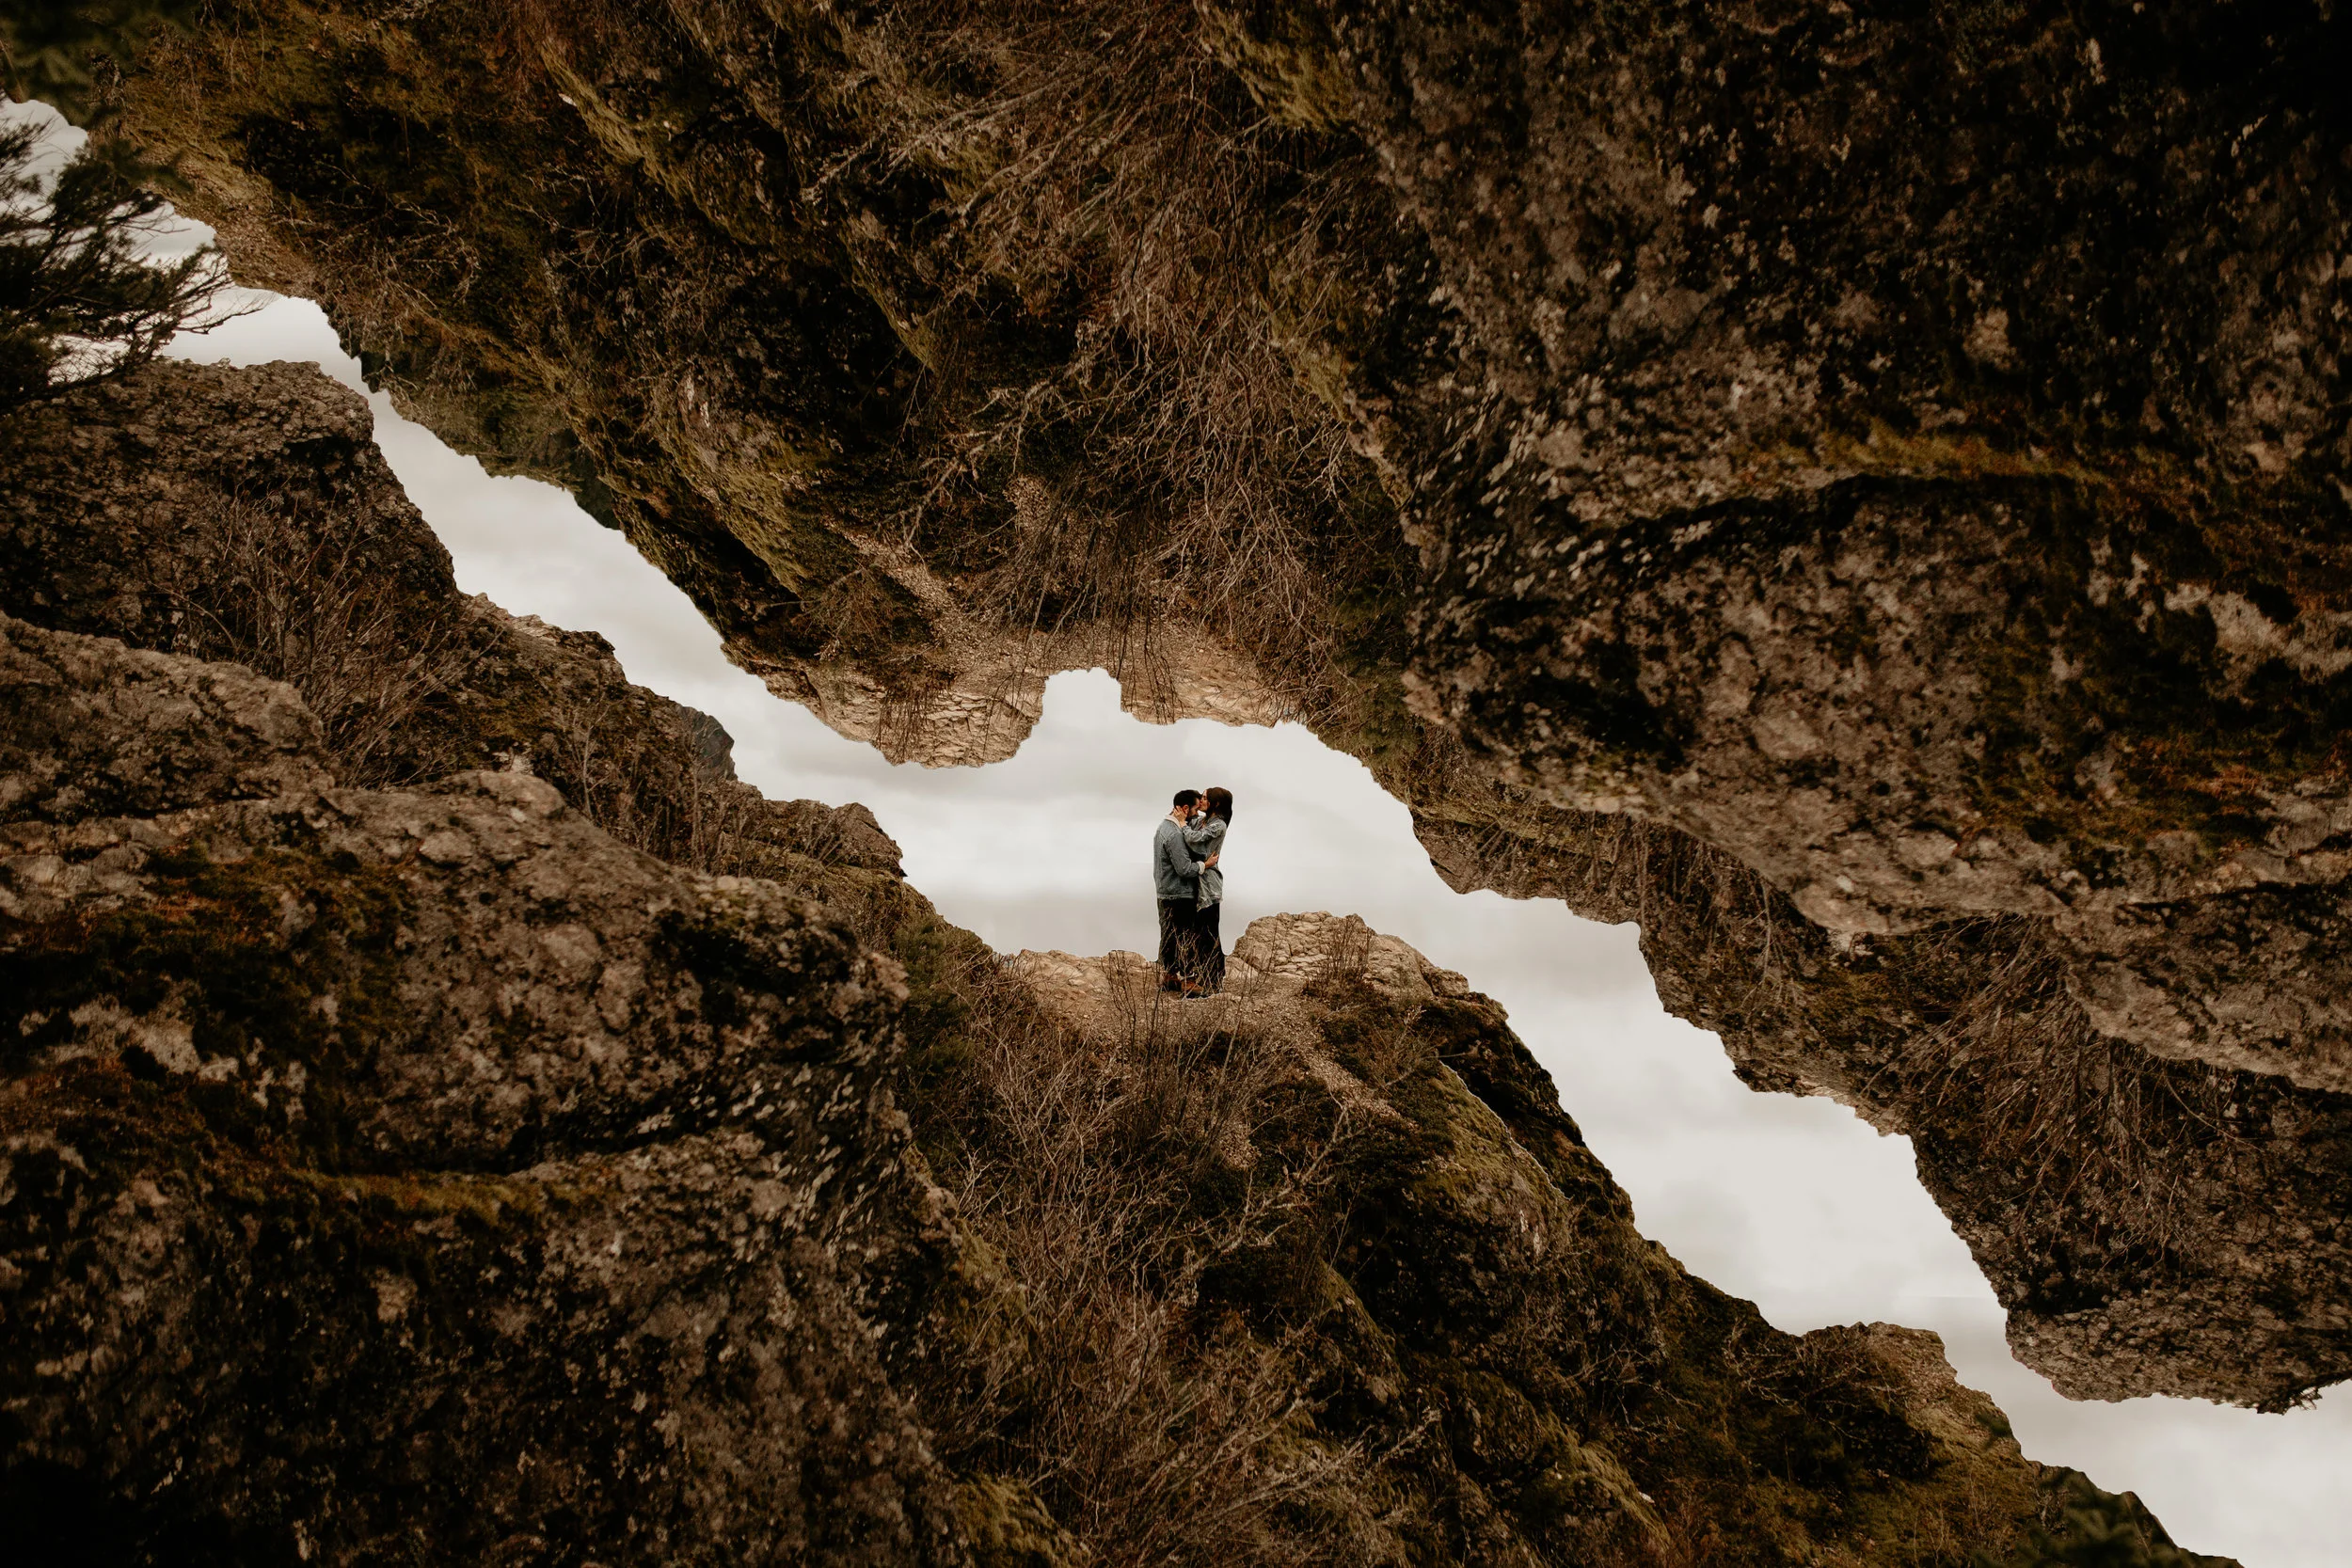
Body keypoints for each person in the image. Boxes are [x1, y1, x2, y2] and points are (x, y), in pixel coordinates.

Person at [1153, 789, 1209, 993]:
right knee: (1187, 936)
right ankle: (1188, 981)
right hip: (1179, 893)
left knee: (1169, 935)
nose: (1197, 814)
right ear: (1185, 808)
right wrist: (1205, 865)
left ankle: (1169, 976)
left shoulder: (1163, 827)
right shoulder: (1175, 834)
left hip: (1165, 891)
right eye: (1195, 810)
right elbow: (1184, 869)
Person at [1183, 786, 1232, 993]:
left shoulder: (1218, 825)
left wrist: (1182, 826)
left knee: (1209, 936)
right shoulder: (1201, 821)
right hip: (1197, 883)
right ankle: (1204, 977)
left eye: (1204, 798)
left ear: (1216, 803)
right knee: (1198, 934)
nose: (1200, 801)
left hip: (1209, 888)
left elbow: (1194, 841)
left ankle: (1214, 981)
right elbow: (1187, 829)